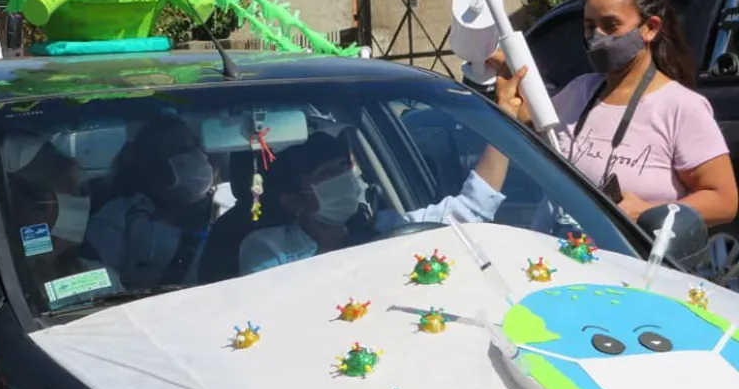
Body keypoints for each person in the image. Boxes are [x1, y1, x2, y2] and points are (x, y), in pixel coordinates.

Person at [500, 0, 737, 227]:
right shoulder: (580, 91)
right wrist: (505, 74)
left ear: (650, 28)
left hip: (629, 263)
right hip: (556, 260)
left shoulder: (681, 108)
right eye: (590, 26)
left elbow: (723, 200)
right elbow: (531, 119)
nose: (597, 37)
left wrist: (649, 212)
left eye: (611, 25)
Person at [238, 66, 527, 275]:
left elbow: (472, 207)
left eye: (345, 167)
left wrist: (505, 117)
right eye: (327, 174)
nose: (344, 180)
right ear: (293, 200)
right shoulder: (269, 249)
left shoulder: (390, 230)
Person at [82, 114, 216, 289]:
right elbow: (98, 284)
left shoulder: (223, 211)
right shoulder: (120, 217)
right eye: (181, 149)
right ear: (155, 165)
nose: (195, 156)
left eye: (195, 147)